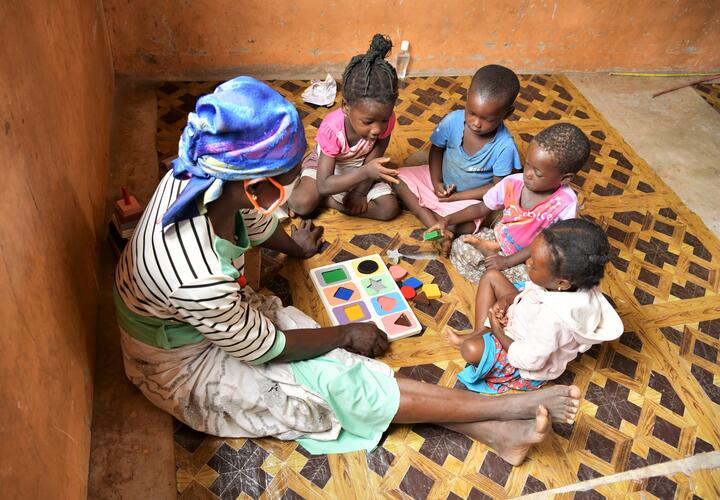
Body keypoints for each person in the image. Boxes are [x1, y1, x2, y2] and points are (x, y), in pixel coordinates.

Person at [114, 76, 581, 466]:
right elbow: (265, 349)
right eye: (291, 175)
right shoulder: (197, 275)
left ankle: (495, 434)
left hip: (222, 320)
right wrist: (345, 334)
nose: (302, 182)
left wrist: (293, 247)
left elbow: (251, 221)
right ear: (255, 185)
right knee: (336, 382)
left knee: (337, 370)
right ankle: (503, 407)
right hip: (182, 367)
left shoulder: (202, 174)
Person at [446, 219, 623, 394]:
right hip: (521, 318)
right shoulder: (562, 284)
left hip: (521, 358)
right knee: (491, 276)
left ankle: (481, 337)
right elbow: (530, 295)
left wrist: (497, 329)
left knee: (470, 349)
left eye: (535, 265)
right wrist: (507, 300)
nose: (528, 262)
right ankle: (479, 333)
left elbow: (529, 360)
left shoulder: (554, 320)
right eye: (531, 255)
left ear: (561, 282)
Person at [429, 123, 589, 285]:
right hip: (500, 240)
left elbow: (548, 244)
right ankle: (499, 274)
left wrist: (508, 262)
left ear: (565, 178)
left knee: (543, 280)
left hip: (533, 257)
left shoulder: (565, 203)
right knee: (461, 245)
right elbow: (481, 207)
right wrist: (446, 220)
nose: (527, 174)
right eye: (527, 164)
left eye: (538, 173)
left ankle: (500, 280)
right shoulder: (513, 182)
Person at [395, 64, 521, 235]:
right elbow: (437, 150)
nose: (476, 123)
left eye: (488, 119)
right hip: (438, 184)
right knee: (397, 179)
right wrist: (437, 182)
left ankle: (431, 220)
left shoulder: (505, 146)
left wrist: (457, 197)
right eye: (471, 112)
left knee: (466, 226)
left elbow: (496, 188)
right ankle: (439, 226)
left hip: (468, 200)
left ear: (507, 113)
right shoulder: (453, 120)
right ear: (468, 96)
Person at [288, 34, 401, 221]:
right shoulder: (332, 129)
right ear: (346, 107)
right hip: (329, 167)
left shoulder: (386, 121)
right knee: (300, 203)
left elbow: (374, 159)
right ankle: (323, 196)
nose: (377, 129)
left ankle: (328, 201)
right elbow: (323, 184)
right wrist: (365, 173)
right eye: (368, 122)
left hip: (363, 167)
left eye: (384, 120)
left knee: (388, 210)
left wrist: (359, 193)